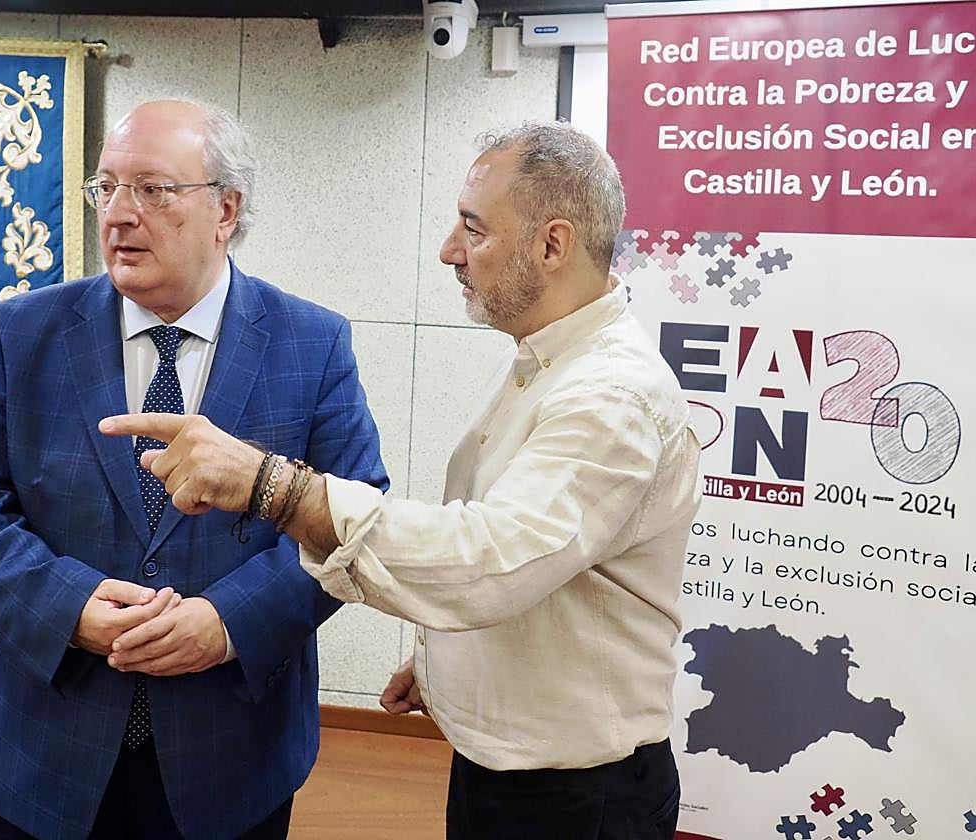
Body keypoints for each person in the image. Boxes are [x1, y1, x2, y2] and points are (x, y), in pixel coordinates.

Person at [101, 121, 700, 840]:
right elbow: (545, 558)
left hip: (574, 796)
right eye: (108, 188)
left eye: (474, 229)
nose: (450, 250)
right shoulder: (544, 361)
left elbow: (489, 560)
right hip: (511, 766)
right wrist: (450, 663)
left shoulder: (609, 397)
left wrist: (274, 487)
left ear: (552, 245)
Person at [0, 99, 387, 840]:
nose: (118, 214)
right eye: (106, 187)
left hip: (232, 750)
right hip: (51, 746)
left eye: (153, 189)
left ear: (225, 209)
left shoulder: (311, 342)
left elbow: (355, 515)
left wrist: (227, 622)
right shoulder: (21, 331)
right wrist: (68, 606)